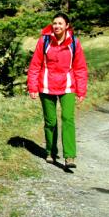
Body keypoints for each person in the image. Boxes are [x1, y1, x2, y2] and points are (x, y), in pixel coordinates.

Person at [27, 12, 88, 168]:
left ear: (67, 26)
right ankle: (50, 152)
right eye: (55, 23)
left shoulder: (74, 42)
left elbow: (80, 67)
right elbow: (35, 65)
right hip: (46, 85)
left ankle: (69, 157)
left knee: (68, 118)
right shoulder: (44, 41)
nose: (57, 26)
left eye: (60, 23)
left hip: (68, 86)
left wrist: (81, 90)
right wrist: (32, 87)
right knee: (51, 121)